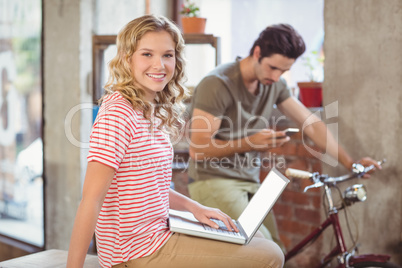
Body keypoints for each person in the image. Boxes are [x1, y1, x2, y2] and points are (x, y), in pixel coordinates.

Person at [67, 15, 284, 268]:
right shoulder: (119, 111)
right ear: (128, 59)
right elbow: (91, 199)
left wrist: (195, 208)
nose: (159, 65)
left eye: (167, 55)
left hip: (159, 230)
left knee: (252, 234)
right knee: (271, 255)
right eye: (147, 54)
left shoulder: (150, 108)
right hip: (134, 251)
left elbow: (148, 187)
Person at [187, 23, 381, 251]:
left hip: (250, 181)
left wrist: (350, 162)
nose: (276, 76)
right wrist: (250, 142)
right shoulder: (217, 84)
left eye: (283, 71)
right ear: (257, 52)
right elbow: (197, 149)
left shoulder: (275, 84)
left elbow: (312, 125)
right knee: (262, 248)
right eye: (272, 68)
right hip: (213, 180)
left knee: (277, 249)